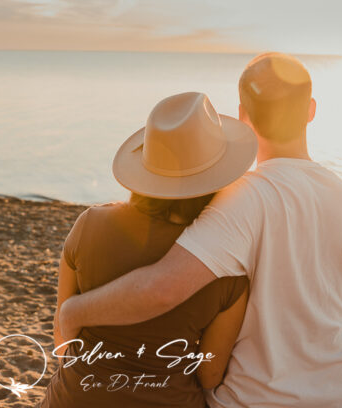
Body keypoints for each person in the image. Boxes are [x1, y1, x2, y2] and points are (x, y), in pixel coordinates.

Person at [58, 52, 342, 408]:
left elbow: (161, 289)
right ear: (311, 110)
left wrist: (75, 311)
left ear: (244, 115)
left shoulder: (242, 197)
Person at [41, 91, 256, 408]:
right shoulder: (224, 265)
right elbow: (209, 375)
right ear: (218, 177)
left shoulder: (89, 225)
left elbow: (63, 341)